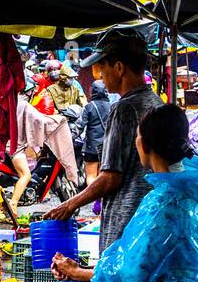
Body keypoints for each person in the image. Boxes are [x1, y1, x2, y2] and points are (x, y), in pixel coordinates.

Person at [45, 103, 198, 282]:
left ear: (143, 144)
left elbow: (126, 278)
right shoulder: (195, 194)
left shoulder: (164, 202)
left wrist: (76, 272)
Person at [45, 27, 161, 251]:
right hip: (149, 221)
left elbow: (110, 178)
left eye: (102, 67)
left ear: (118, 68)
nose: (99, 75)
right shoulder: (156, 103)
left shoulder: (125, 109)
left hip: (126, 223)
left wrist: (71, 204)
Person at [78, 79, 110, 184]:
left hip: (92, 147)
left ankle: (95, 199)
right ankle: (101, 199)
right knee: (103, 176)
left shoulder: (89, 106)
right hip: (107, 147)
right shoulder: (112, 106)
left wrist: (71, 137)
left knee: (91, 176)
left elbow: (81, 126)